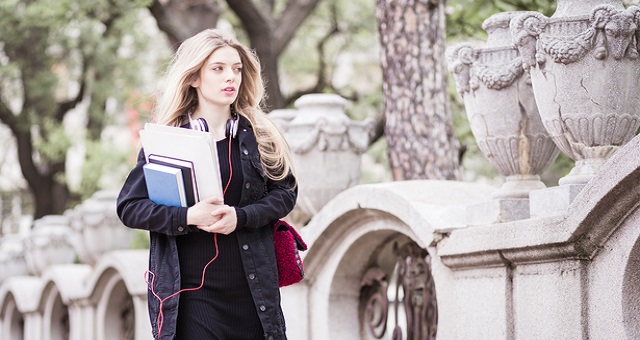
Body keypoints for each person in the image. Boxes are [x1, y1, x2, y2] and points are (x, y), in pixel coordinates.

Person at [116, 28, 297, 340]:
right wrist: (188, 217)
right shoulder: (166, 140)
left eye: (237, 69)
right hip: (189, 296)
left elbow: (285, 193)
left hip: (252, 294)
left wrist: (242, 217)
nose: (231, 77)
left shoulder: (259, 136)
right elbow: (130, 207)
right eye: (218, 69)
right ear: (194, 78)